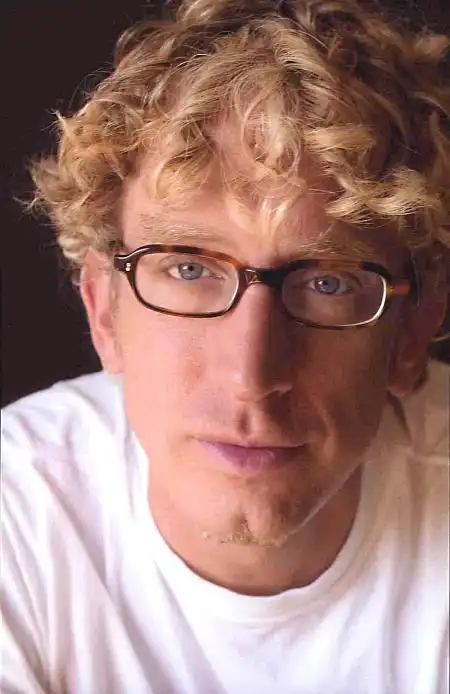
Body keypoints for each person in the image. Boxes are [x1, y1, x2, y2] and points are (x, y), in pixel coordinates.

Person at [2, 0, 449, 691]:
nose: (252, 374)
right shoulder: (18, 509)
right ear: (104, 311)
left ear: (412, 331)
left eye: (328, 282)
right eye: (189, 270)